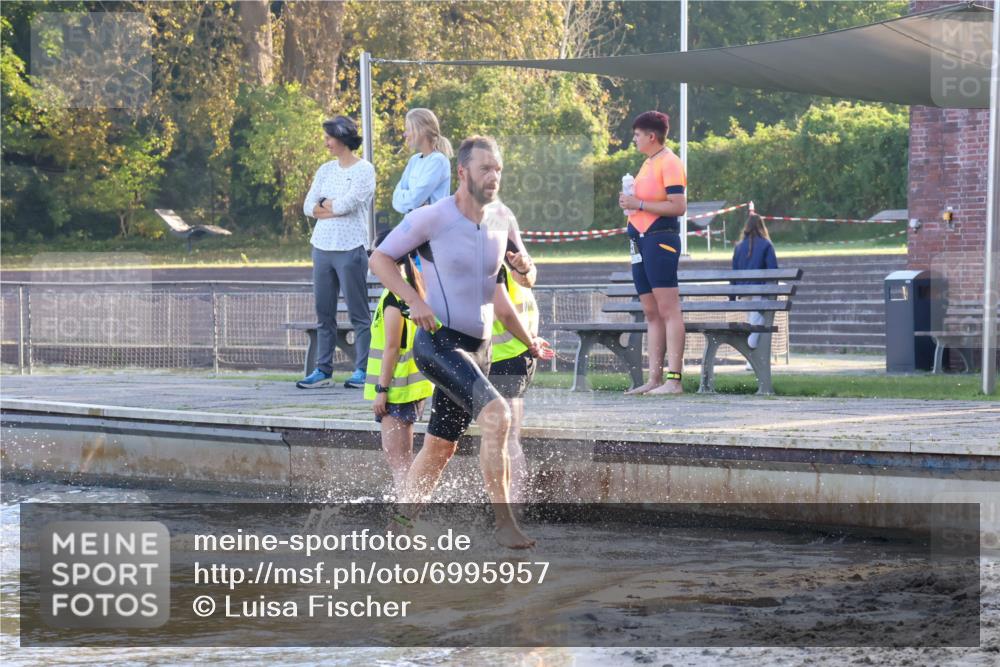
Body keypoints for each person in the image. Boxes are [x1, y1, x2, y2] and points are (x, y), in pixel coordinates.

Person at [369, 136, 551, 549]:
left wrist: (526, 272)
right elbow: (379, 258)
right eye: (485, 168)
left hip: (480, 350)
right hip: (439, 343)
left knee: (439, 447)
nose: (493, 176)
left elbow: (515, 286)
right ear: (462, 172)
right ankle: (505, 524)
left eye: (498, 169)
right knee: (498, 415)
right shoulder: (433, 217)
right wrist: (414, 301)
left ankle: (400, 525)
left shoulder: (503, 218)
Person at [298, 116, 375, 390]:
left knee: (358, 314)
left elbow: (347, 205)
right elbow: (308, 207)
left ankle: (363, 370)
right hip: (322, 248)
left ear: (342, 138)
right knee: (324, 313)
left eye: (329, 137)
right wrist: (329, 206)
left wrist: (325, 205)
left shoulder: (364, 170)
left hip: (350, 248)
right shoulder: (325, 170)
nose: (326, 143)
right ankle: (323, 370)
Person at [618, 111, 687, 396]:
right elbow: (641, 202)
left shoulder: (670, 162)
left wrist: (640, 204)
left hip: (660, 239)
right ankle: (654, 379)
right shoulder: (648, 162)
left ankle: (674, 380)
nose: (634, 139)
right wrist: (630, 204)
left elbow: (678, 206)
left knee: (668, 309)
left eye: (637, 135)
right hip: (639, 240)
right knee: (651, 311)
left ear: (651, 136)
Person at [364, 232, 435, 498]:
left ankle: (407, 511)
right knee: (402, 459)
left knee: (399, 462)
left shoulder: (396, 296)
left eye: (373, 255)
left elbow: (393, 347)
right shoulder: (413, 288)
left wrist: (381, 390)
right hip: (409, 388)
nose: (371, 261)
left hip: (397, 389)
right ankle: (410, 508)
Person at [489, 241, 539, 503]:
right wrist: (533, 341)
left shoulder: (495, 272)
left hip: (504, 361)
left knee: (505, 438)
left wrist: (531, 342)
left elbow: (506, 315)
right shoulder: (519, 273)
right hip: (518, 360)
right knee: (508, 436)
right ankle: (512, 500)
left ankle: (513, 501)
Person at [732, 212, 778, 353]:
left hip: (743, 291)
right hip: (760, 291)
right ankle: (751, 354)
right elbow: (773, 270)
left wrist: (732, 296)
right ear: (762, 227)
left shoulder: (739, 247)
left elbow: (734, 272)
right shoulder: (766, 245)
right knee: (756, 324)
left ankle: (754, 355)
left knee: (753, 322)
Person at [392, 108, 453, 214]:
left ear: (421, 130)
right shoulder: (414, 160)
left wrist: (408, 199)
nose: (405, 134)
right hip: (412, 222)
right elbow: (395, 200)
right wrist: (411, 202)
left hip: (432, 224)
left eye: (408, 129)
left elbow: (414, 200)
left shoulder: (438, 161)